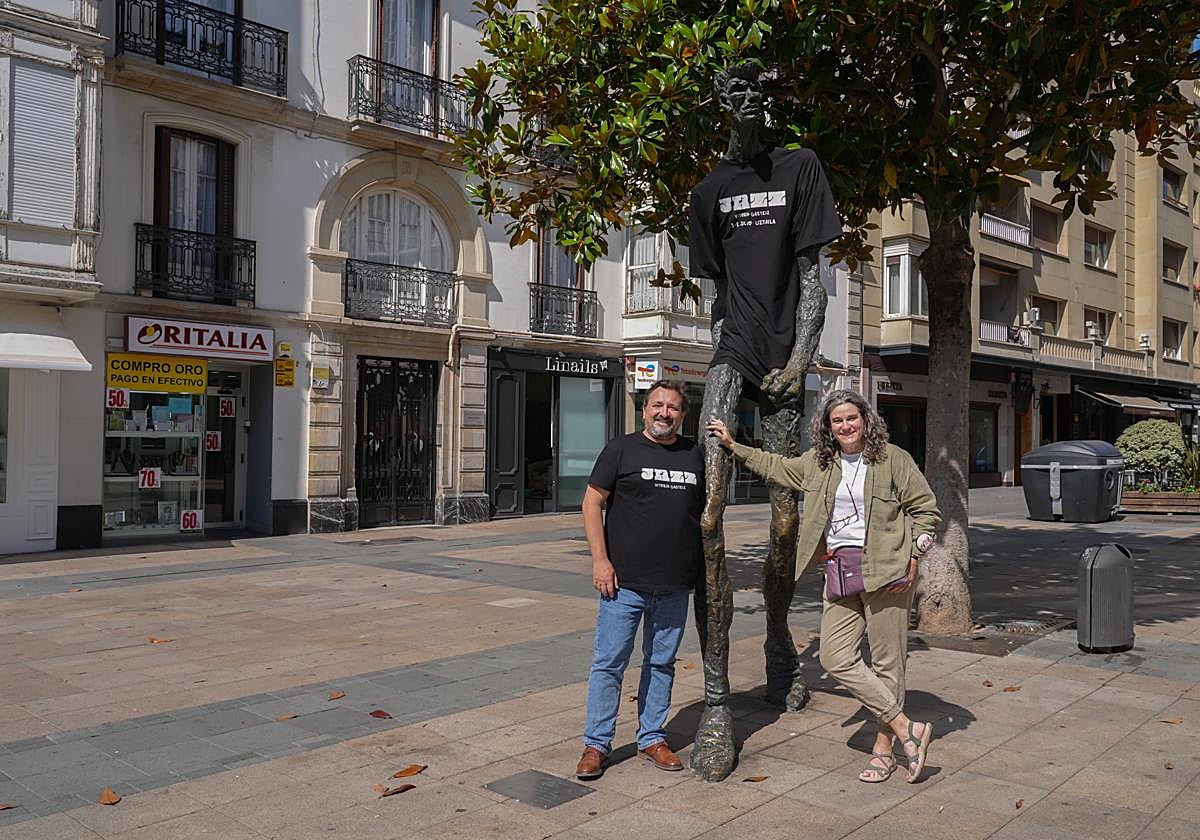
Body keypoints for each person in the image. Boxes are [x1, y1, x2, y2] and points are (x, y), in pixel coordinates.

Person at [686, 61, 844, 780]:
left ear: (767, 96)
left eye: (757, 87)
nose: (747, 97)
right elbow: (721, 291)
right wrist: (741, 351)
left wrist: (802, 358)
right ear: (721, 100)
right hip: (734, 351)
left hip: (788, 358)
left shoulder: (799, 168)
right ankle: (717, 698)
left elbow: (813, 280)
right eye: (734, 89)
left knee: (785, 522)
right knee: (710, 509)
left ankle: (779, 636)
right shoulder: (707, 192)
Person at [705, 389, 942, 783]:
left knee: (888, 664)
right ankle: (905, 725)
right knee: (834, 657)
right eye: (837, 420)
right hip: (840, 570)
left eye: (852, 418)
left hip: (887, 571)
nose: (846, 426)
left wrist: (915, 558)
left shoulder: (893, 459)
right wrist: (733, 445)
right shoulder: (818, 463)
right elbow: (776, 466)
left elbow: (926, 510)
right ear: (828, 427)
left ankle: (884, 751)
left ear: (866, 421)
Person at [576, 380, 705, 781]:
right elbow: (592, 501)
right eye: (657, 405)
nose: (664, 412)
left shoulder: (694, 455)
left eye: (673, 407)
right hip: (623, 583)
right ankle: (597, 744)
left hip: (674, 583)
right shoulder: (621, 449)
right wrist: (600, 561)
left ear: (683, 415)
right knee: (609, 663)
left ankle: (652, 737)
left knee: (662, 662)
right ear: (644, 410)